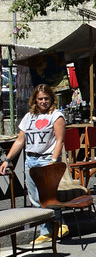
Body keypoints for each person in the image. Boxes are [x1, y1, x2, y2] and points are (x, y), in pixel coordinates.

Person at [0, 85, 67, 242]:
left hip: (46, 158)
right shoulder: (29, 117)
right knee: (34, 197)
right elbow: (20, 140)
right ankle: (46, 231)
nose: (43, 101)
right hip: (30, 159)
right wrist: (7, 159)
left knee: (48, 195)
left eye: (46, 98)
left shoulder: (56, 116)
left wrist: (53, 161)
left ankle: (60, 224)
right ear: (35, 100)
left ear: (51, 99)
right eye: (40, 99)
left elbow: (60, 140)